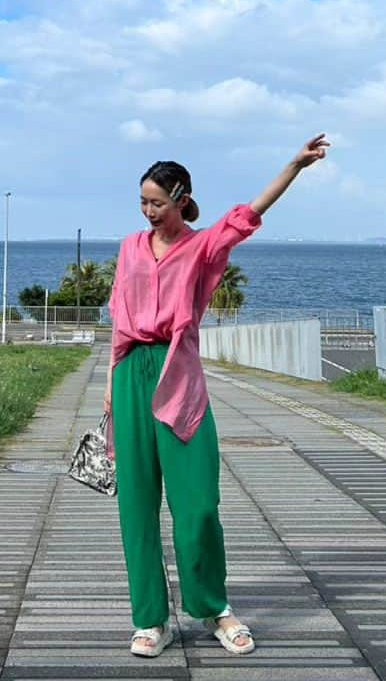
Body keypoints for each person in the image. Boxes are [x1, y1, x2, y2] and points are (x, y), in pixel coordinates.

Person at [105, 134, 330, 659]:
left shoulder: (202, 247)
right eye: (143, 203)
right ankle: (150, 621)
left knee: (199, 506)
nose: (149, 212)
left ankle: (212, 607)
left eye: (158, 203)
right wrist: (110, 390)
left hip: (178, 375)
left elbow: (248, 214)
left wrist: (293, 165)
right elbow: (119, 320)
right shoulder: (129, 248)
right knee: (136, 506)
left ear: (182, 200)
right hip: (130, 372)